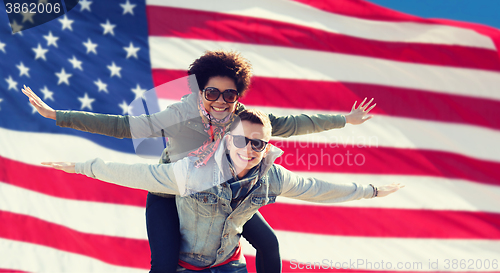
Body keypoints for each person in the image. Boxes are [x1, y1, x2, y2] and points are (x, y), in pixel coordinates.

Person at [23, 50, 376, 273]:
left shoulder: (245, 119)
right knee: (164, 264)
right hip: (171, 189)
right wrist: (59, 115)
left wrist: (346, 119)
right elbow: (124, 126)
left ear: (237, 95)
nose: (221, 101)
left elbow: (293, 124)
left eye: (229, 94)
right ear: (199, 93)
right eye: (212, 93)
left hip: (222, 195)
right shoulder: (181, 114)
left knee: (268, 244)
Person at [43, 109, 403, 273]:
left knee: (269, 241)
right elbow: (133, 156)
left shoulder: (267, 164)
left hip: (228, 256)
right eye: (242, 142)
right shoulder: (189, 147)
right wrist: (81, 165)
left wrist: (370, 189)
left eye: (259, 145)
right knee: (165, 263)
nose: (250, 149)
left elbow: (316, 186)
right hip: (175, 198)